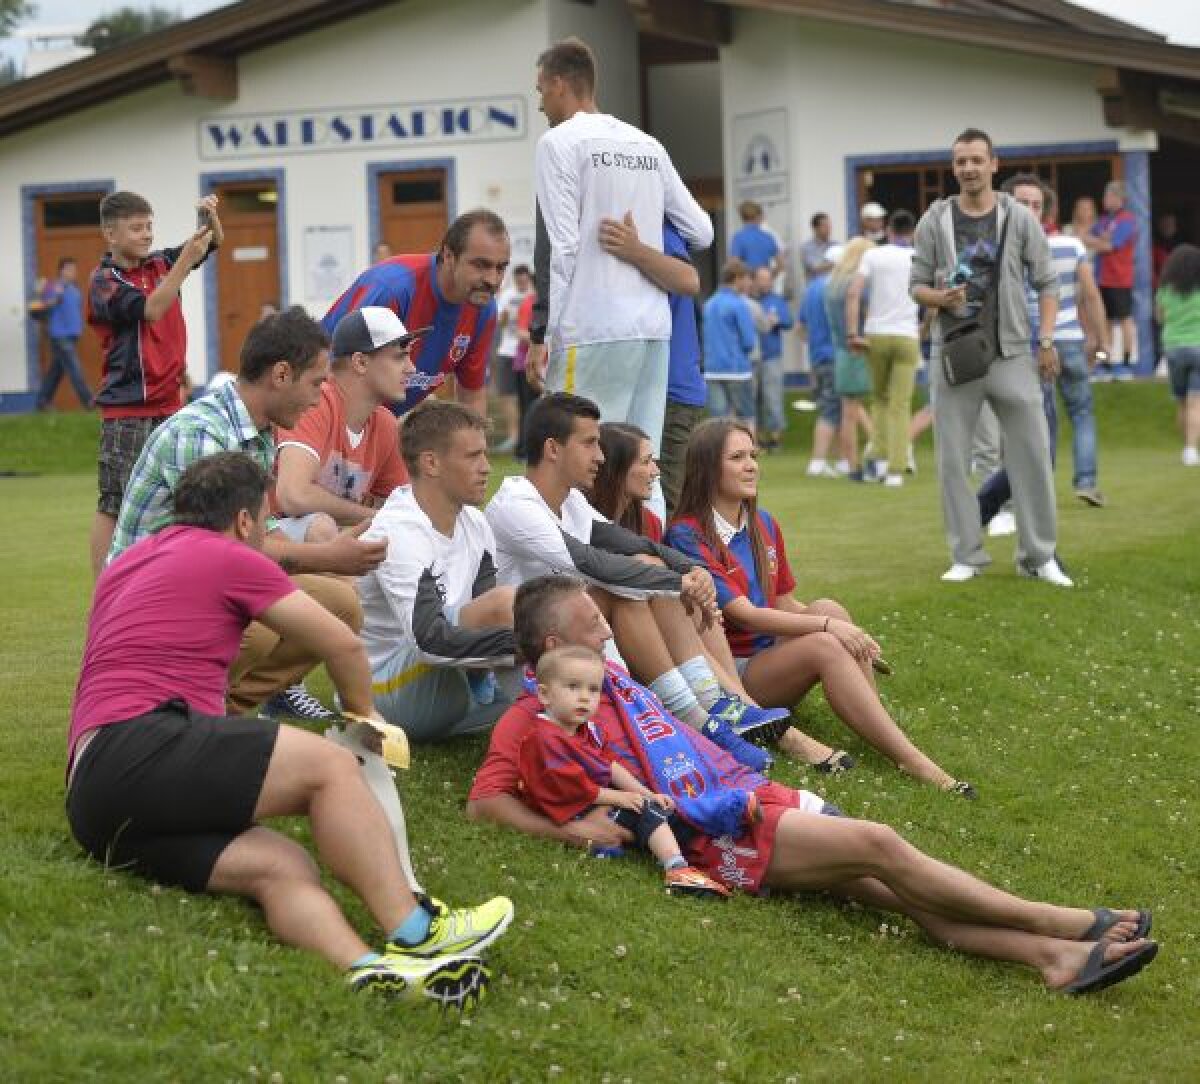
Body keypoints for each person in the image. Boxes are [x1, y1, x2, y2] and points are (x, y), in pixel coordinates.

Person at [468, 575, 1159, 997]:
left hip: (737, 799)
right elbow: (485, 800)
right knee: (880, 846)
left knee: (887, 886)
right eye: (595, 624)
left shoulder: (598, 680)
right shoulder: (531, 719)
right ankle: (1060, 921)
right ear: (555, 647)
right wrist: (565, 830)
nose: (607, 630)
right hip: (715, 832)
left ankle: (1054, 962)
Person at [67, 451, 511, 1006]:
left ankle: (371, 971)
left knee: (282, 866)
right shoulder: (229, 552)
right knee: (329, 767)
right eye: (267, 519)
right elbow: (342, 643)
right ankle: (418, 930)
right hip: (142, 744)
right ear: (245, 521)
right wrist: (364, 721)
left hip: (92, 800)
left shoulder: (127, 563)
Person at [666, 418, 972, 794]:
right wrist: (829, 630)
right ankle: (911, 759)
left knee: (828, 607)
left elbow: (783, 603)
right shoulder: (686, 533)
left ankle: (880, 729)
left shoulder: (763, 522)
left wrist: (839, 625)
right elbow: (745, 615)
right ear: (708, 468)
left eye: (753, 456)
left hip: (770, 659)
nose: (751, 465)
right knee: (825, 638)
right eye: (737, 457)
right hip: (733, 675)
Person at [485, 392, 788, 770]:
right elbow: (591, 563)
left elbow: (634, 544)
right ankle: (699, 716)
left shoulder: (570, 501)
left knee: (645, 569)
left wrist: (691, 570)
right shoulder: (517, 504)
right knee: (637, 580)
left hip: (579, 631)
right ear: (552, 449)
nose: (600, 455)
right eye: (590, 443)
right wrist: (680, 582)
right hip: (532, 656)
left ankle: (708, 709)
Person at [109, 307, 386, 719]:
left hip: (199, 580)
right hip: (147, 602)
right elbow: (225, 557)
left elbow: (256, 538)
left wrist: (330, 559)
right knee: (252, 630)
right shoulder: (201, 434)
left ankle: (227, 710)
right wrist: (329, 557)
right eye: (315, 383)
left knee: (340, 605)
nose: (319, 398)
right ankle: (171, 714)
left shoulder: (258, 432)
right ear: (280, 375)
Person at [531, 36, 713, 497]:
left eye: (540, 91)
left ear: (558, 84)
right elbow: (702, 231)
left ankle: (584, 570)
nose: (539, 104)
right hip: (652, 332)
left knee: (571, 467)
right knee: (639, 466)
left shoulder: (557, 142)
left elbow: (563, 245)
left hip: (589, 328)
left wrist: (546, 335)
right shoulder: (648, 144)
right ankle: (648, 564)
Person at [910, 128, 1071, 587]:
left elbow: (1048, 282)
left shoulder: (1019, 217)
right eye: (961, 161)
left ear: (993, 164)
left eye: (977, 160)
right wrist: (940, 297)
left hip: (1015, 352)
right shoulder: (934, 219)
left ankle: (1039, 556)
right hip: (954, 353)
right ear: (954, 166)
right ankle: (966, 554)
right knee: (952, 461)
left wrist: (1045, 340)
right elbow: (915, 285)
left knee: (1033, 456)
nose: (969, 169)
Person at [359, 401, 518, 742]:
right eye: (472, 456)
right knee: (514, 609)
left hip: (450, 677)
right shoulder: (399, 531)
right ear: (431, 463)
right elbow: (428, 641)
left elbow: (483, 603)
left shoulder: (474, 521)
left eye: (485, 455)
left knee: (557, 615)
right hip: (383, 691)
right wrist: (528, 643)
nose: (486, 468)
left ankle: (583, 730)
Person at [520, 645, 732, 899]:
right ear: (544, 695)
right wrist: (622, 798)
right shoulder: (545, 738)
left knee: (658, 805)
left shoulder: (586, 729)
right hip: (570, 809)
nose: (585, 697)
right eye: (573, 687)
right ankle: (677, 868)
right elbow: (568, 787)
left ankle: (714, 835)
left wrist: (644, 792)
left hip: (593, 798)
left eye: (593, 689)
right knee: (645, 813)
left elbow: (609, 765)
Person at [87, 190, 223, 575]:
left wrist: (207, 217)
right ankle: (105, 590)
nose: (146, 235)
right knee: (115, 501)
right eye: (136, 228)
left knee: (177, 497)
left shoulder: (162, 262)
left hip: (170, 405)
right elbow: (152, 308)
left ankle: (166, 578)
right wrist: (184, 262)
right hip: (127, 408)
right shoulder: (104, 281)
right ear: (111, 236)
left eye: (149, 226)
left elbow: (214, 241)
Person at [977, 177, 1109, 521]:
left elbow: (1086, 294)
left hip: (1046, 340)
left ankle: (1005, 502)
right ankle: (1084, 481)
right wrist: (1100, 339)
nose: (1030, 211)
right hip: (1045, 341)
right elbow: (1089, 293)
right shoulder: (1068, 246)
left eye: (1036, 205)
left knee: (1037, 429)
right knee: (1073, 416)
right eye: (1024, 204)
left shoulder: (1027, 245)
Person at [322, 209, 508, 416]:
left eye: (501, 268)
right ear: (448, 256)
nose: (492, 279)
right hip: (325, 413)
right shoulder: (393, 288)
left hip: (379, 421)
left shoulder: (484, 308)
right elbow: (338, 375)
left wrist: (474, 448)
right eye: (481, 265)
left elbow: (472, 395)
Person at [274, 307, 418, 545]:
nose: (411, 368)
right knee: (322, 528)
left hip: (331, 544)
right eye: (399, 357)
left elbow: (402, 510)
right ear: (360, 362)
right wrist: (377, 517)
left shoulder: (385, 425)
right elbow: (293, 496)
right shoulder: (316, 402)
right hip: (271, 539)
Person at [596, 215, 703, 518]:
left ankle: (672, 564)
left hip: (670, 388)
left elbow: (688, 279)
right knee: (633, 501)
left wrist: (634, 250)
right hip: (642, 383)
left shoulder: (658, 231)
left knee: (663, 502)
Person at [846, 210, 920, 487]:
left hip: (876, 333)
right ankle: (896, 470)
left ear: (888, 229)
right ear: (911, 232)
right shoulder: (917, 256)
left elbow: (854, 293)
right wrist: (922, 331)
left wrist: (852, 332)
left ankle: (877, 459)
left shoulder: (873, 255)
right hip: (907, 334)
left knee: (879, 399)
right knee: (901, 405)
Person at [825, 238, 874, 480]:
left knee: (849, 412)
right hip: (856, 350)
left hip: (840, 351)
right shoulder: (855, 285)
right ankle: (856, 466)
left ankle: (853, 463)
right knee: (851, 415)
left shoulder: (832, 284)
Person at [797, 246, 844, 478]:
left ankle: (841, 459)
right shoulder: (837, 288)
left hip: (817, 356)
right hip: (835, 355)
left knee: (834, 408)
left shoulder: (811, 289)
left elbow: (800, 328)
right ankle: (818, 461)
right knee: (831, 409)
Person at [1083, 181, 1138, 380]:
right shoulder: (1104, 220)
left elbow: (1111, 247)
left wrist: (1102, 242)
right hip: (1102, 278)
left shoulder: (1127, 220)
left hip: (1120, 279)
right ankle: (1104, 362)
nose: (1105, 200)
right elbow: (1085, 237)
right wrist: (1102, 240)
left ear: (1118, 198)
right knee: (1102, 322)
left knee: (1125, 320)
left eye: (1108, 196)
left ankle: (1126, 363)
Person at [1155, 243, 1200, 466]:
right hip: (1198, 346)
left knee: (1182, 402)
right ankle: (1192, 450)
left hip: (1172, 348)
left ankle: (1187, 448)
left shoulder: (1164, 290)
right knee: (1196, 402)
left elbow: (1160, 317)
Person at [703, 259, 757, 426]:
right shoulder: (739, 304)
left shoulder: (708, 304)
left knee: (718, 421)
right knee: (746, 417)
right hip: (737, 369)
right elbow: (749, 341)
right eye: (747, 278)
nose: (749, 283)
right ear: (737, 278)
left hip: (712, 370)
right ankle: (748, 451)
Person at [34, 257, 92, 411]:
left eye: (74, 269)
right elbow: (42, 306)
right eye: (69, 269)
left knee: (56, 371)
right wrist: (52, 297)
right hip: (60, 335)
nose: (73, 272)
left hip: (72, 336)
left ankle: (43, 401)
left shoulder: (74, 289)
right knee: (74, 368)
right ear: (61, 270)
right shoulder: (53, 286)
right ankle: (89, 402)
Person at [492, 264, 534, 454]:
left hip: (528, 353)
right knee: (507, 394)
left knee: (528, 398)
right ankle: (513, 435)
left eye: (524, 280)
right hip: (507, 351)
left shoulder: (534, 296)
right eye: (518, 280)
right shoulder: (508, 295)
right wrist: (505, 317)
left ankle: (525, 438)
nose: (521, 283)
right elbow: (498, 324)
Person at [752, 267, 794, 450]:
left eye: (767, 279)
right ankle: (759, 438)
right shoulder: (749, 300)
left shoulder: (777, 301)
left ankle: (776, 439)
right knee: (755, 399)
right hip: (752, 358)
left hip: (771, 357)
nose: (763, 283)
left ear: (771, 281)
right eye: (760, 279)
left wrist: (777, 320)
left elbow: (789, 322)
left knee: (773, 398)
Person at [730, 200, 782, 276]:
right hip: (765, 282)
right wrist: (769, 275)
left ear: (742, 217)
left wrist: (751, 271)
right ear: (759, 216)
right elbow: (781, 264)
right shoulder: (768, 237)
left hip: (747, 283)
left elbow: (734, 263)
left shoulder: (738, 238)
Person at [800, 212, 836, 283]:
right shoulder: (807, 247)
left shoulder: (835, 245)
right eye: (825, 226)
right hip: (816, 288)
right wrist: (836, 263)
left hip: (834, 287)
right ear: (815, 228)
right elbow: (816, 267)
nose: (829, 228)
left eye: (829, 225)